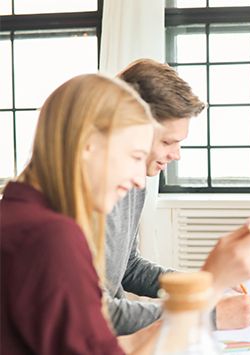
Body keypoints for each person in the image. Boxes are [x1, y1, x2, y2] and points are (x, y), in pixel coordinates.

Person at [106, 59, 250, 335]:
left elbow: (127, 267)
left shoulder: (135, 180)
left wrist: (201, 286)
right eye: (168, 142)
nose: (176, 154)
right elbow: (99, 314)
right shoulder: (81, 199)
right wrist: (206, 313)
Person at [0, 74, 155, 354]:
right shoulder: (50, 236)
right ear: (88, 143)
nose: (139, 180)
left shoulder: (15, 216)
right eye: (135, 157)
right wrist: (211, 286)